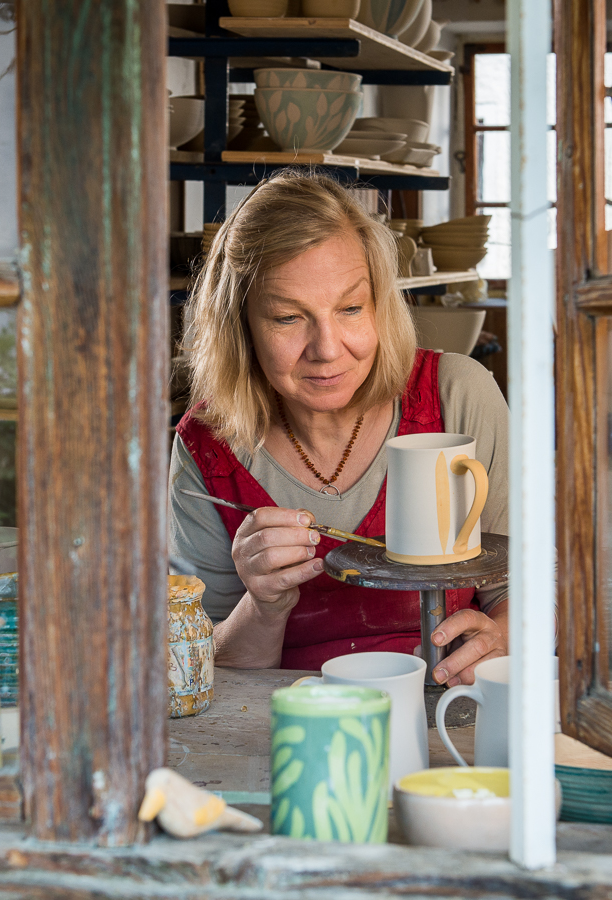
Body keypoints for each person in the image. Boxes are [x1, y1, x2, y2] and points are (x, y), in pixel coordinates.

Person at [169, 171, 510, 687]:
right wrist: (262, 606)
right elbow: (201, 668)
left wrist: (505, 637)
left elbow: (528, 591)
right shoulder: (206, 446)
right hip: (286, 726)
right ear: (240, 325)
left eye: (351, 308)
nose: (327, 348)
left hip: (450, 711)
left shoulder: (457, 395)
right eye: (288, 317)